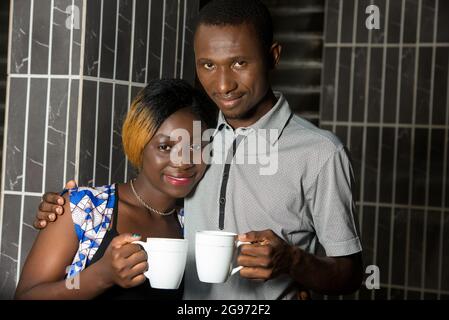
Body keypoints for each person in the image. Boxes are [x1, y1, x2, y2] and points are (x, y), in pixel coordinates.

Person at [33, 0, 364, 300]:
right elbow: (148, 188)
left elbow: (349, 275)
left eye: (239, 63)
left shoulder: (320, 153)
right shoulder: (200, 138)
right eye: (208, 66)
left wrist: (293, 261)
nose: (223, 85)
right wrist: (67, 209)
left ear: (273, 56)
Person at [15, 79, 213, 299]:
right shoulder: (84, 209)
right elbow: (26, 295)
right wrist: (99, 276)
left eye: (195, 147)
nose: (184, 161)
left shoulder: (193, 223)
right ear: (139, 144)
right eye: (165, 147)